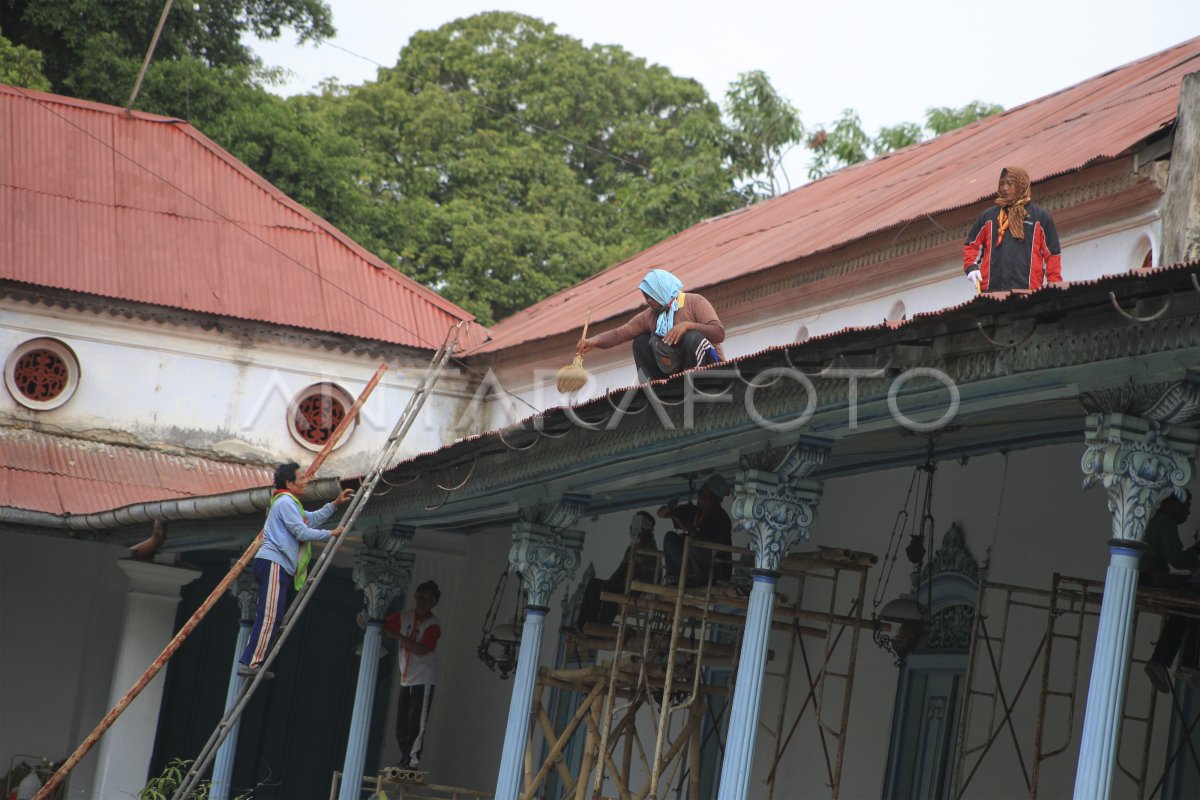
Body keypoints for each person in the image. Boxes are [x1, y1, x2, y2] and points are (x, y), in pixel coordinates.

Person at [239, 461, 353, 679]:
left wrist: (335, 504)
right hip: (274, 562)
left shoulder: (290, 503)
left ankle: (253, 660)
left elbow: (309, 519)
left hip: (278, 564)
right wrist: (331, 534)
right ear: (289, 483)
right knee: (270, 615)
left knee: (273, 614)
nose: (305, 482)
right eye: (301, 478)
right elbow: (302, 531)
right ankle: (251, 662)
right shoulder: (284, 503)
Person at [576, 268, 725, 381]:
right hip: (674, 371)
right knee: (641, 342)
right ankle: (655, 388)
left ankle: (692, 383)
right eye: (646, 297)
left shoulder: (695, 302)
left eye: (651, 295)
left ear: (663, 289)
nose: (649, 301)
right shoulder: (650, 316)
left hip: (710, 367)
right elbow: (619, 334)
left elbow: (719, 333)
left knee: (691, 337)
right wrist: (593, 341)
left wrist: (688, 325)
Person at [963, 167, 1062, 293]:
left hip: (1028, 294)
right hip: (991, 294)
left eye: (1009, 184)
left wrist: (1055, 288)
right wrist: (971, 267)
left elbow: (1052, 255)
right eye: (1001, 184)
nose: (1004, 188)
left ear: (1021, 184)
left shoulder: (1040, 218)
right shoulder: (988, 217)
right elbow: (971, 245)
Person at [1141, 491, 1199, 693]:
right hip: (1151, 579)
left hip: (1146, 578)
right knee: (1193, 600)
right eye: (1186, 506)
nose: (1188, 512)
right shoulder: (1165, 523)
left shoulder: (1156, 521)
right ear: (1172, 504)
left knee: (1182, 607)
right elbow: (1178, 560)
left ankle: (1162, 660)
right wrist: (1197, 551)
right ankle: (1188, 664)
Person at [383, 580, 443, 770]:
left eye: (427, 599)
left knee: (416, 722)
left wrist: (398, 637)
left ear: (434, 602)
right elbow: (384, 626)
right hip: (406, 678)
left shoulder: (434, 624)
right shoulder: (405, 616)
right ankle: (404, 757)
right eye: (419, 597)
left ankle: (413, 760)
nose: (422, 602)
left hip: (423, 679)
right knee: (402, 723)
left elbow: (422, 649)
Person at [575, 512, 658, 629]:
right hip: (625, 587)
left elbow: (647, 582)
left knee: (611, 593)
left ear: (648, 533)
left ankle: (600, 628)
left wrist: (623, 588)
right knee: (594, 584)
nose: (636, 535)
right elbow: (620, 571)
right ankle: (581, 625)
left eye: (640, 532)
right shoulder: (631, 549)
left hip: (638, 591)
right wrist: (609, 583)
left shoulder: (651, 552)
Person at [660, 474, 733, 587]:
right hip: (693, 565)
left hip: (715, 570)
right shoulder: (695, 511)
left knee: (695, 544)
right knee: (670, 538)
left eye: (706, 497)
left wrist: (693, 533)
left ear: (717, 500)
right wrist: (671, 508)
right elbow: (661, 513)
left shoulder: (720, 517)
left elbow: (720, 550)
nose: (701, 499)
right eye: (701, 494)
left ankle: (699, 580)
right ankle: (674, 577)